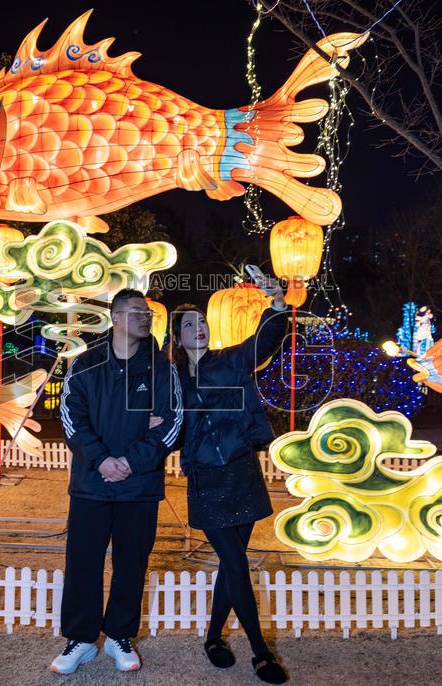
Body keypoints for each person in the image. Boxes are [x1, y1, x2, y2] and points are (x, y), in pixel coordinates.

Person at [51, 289, 183, 675]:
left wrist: (129, 462)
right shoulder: (85, 364)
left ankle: (119, 636)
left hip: (138, 487)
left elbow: (171, 424)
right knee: (82, 563)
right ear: (116, 317)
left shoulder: (162, 369)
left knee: (131, 564)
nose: (147, 318)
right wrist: (102, 459)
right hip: (92, 483)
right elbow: (72, 418)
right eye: (138, 312)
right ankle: (80, 639)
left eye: (148, 313)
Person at [168, 283, 289, 684]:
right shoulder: (171, 378)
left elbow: (265, 338)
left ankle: (213, 639)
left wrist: (276, 303)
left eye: (201, 321)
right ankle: (260, 652)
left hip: (241, 471)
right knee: (236, 562)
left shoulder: (231, 360)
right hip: (205, 476)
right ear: (177, 336)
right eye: (189, 324)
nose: (198, 327)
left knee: (230, 563)